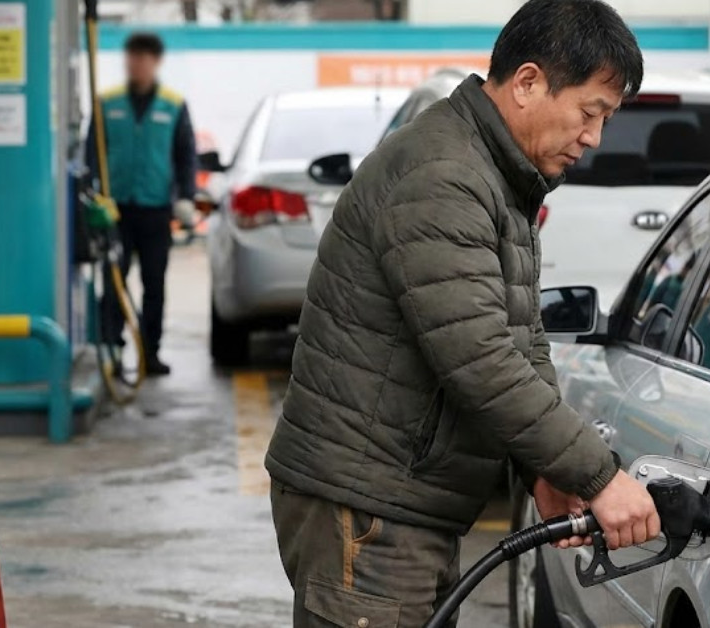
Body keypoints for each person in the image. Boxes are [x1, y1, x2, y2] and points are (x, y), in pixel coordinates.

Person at [264, 1, 660, 624]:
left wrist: (544, 469)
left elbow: (522, 340)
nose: (594, 138)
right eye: (590, 113)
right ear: (527, 83)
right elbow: (480, 358)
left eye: (605, 120)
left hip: (399, 500)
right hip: (370, 506)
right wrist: (599, 477)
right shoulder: (444, 176)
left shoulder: (497, 176)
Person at [86, 32, 196, 376]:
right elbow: (92, 153)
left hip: (156, 208)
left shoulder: (173, 105)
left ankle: (151, 352)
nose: (137, 66)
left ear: (156, 62)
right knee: (114, 282)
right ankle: (113, 351)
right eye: (132, 59)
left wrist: (186, 197)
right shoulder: (107, 103)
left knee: (154, 284)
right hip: (115, 210)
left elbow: (185, 155)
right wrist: (93, 196)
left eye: (144, 60)